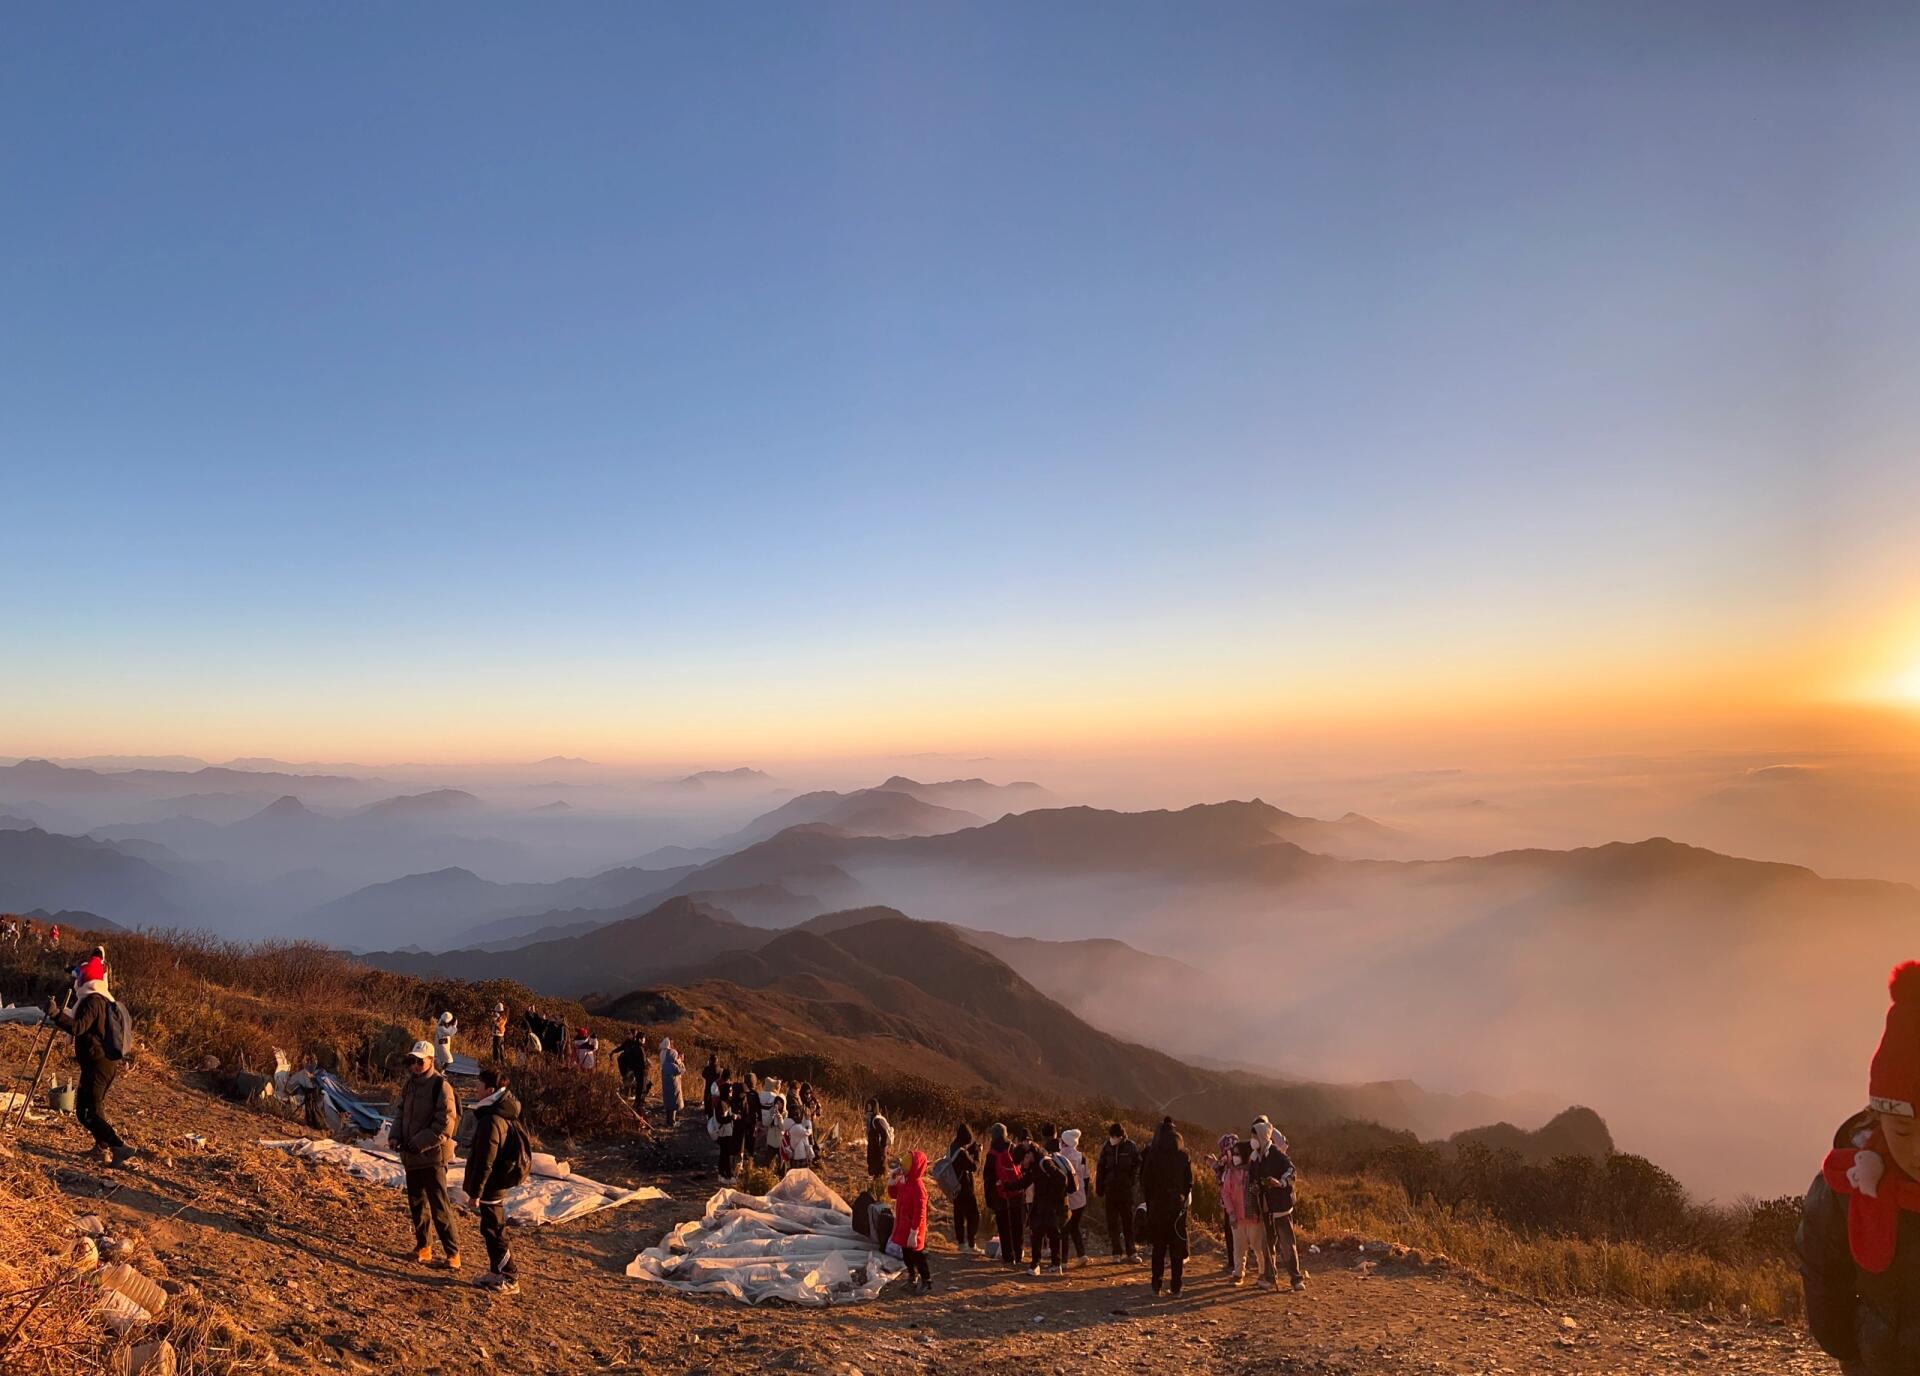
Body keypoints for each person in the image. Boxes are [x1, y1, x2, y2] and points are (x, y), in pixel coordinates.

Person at [1799, 961, 1920, 1374]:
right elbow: (1821, 1266)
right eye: (1904, 1133)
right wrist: (1844, 1346)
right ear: (1878, 1117)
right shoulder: (1848, 1183)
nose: (1918, 1152)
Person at [49, 965, 136, 1166]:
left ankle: (119, 1147)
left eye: (78, 978)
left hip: (98, 1064)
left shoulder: (92, 1001)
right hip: (100, 1063)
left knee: (88, 1112)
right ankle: (103, 1148)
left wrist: (56, 1015)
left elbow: (79, 1027)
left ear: (85, 981)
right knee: (89, 1109)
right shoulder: (102, 999)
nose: (75, 982)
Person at [390, 1039, 461, 1270]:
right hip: (412, 1156)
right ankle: (424, 1246)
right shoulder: (410, 1085)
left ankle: (453, 1253)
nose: (414, 1066)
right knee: (417, 1204)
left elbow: (444, 1126)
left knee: (439, 1206)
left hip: (432, 1157)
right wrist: (395, 1135)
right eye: (412, 1061)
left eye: (419, 1061)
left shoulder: (440, 1086)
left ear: (431, 1060)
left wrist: (418, 1143)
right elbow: (400, 1112)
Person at [461, 1065, 524, 1293]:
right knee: (490, 1228)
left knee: (494, 1230)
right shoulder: (500, 1113)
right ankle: (496, 1273)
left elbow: (486, 1159)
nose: (475, 1090)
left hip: (491, 1186)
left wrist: (476, 1192)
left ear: (490, 1090)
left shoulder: (492, 1120)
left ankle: (510, 1276)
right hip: (494, 1183)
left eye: (478, 1086)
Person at [1250, 1116, 1305, 1291]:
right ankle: (1270, 1277)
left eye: (1255, 1137)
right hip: (1266, 1207)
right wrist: (1255, 1188)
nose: (1253, 1140)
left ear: (1263, 1137)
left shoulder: (1276, 1154)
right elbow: (1253, 1180)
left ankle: (1296, 1278)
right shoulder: (1256, 1158)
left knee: (1287, 1244)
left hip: (1281, 1207)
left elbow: (1291, 1171)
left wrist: (1280, 1183)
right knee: (1268, 1244)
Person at [1139, 1116, 1193, 1296]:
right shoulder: (1183, 1155)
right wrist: (1183, 1198)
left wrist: (1149, 1203)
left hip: (1158, 1205)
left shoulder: (1153, 1154)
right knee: (1177, 1248)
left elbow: (1146, 1181)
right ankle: (1176, 1286)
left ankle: (1156, 1284)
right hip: (1177, 1205)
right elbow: (1189, 1182)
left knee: (1159, 1247)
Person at [888, 1149, 933, 1294]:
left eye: (906, 1165)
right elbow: (894, 1195)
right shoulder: (905, 1182)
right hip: (903, 1227)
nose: (903, 1168)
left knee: (918, 1256)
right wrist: (892, 1181)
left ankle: (926, 1280)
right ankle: (912, 1277)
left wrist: (914, 1232)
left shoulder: (919, 1188)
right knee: (906, 1254)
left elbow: (920, 1213)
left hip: (913, 1229)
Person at [1026, 1138, 1070, 1276]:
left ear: (1031, 1155)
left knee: (1046, 1233)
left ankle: (1043, 1265)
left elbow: (1062, 1179)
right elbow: (1026, 1181)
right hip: (1043, 1204)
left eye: (1026, 1156)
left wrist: (1055, 1198)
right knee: (1046, 1233)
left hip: (1049, 1205)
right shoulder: (1037, 1164)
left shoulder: (1044, 1163)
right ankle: (1044, 1265)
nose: (1024, 1160)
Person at [1098, 1121, 1141, 1262]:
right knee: (1113, 1222)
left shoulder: (1131, 1147)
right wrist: (1100, 1186)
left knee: (1127, 1221)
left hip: (1125, 1191)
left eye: (1115, 1136)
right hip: (1110, 1190)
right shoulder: (1107, 1147)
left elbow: (1137, 1165)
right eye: (1111, 1136)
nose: (1113, 1139)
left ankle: (1131, 1251)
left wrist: (1131, 1182)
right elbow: (1101, 1168)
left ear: (1121, 1136)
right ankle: (1116, 1252)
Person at [984, 1122, 1024, 1267]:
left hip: (999, 1195)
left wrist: (989, 1200)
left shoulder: (991, 1154)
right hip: (1017, 1193)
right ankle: (1019, 1255)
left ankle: (1008, 1256)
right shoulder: (1014, 1148)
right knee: (1017, 1226)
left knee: (1004, 1227)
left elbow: (988, 1179)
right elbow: (1022, 1169)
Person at [1222, 1141, 1261, 1285]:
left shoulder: (1253, 1172)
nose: (1235, 1157)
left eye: (1238, 1154)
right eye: (1234, 1154)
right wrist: (1231, 1213)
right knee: (1239, 1248)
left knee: (1258, 1247)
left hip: (1253, 1217)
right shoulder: (1230, 1173)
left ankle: (1263, 1273)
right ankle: (1238, 1274)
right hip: (1237, 1218)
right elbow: (1225, 1193)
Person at [1057, 1128, 1091, 1266]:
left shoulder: (1060, 1158)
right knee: (1075, 1227)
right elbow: (1087, 1177)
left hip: (1067, 1197)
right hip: (1081, 1196)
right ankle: (1081, 1254)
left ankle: (1063, 1260)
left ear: (1065, 1143)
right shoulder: (1081, 1157)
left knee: (1064, 1229)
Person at [947, 1123, 980, 1252]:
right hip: (965, 1188)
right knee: (973, 1215)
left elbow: (962, 1158)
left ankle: (961, 1243)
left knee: (959, 1214)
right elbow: (974, 1167)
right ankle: (971, 1243)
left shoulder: (953, 1147)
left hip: (955, 1186)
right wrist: (977, 1154)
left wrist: (970, 1150)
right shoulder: (961, 1153)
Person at [1213, 1132, 1240, 1274]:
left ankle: (1233, 1263)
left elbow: (1220, 1179)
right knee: (1240, 1233)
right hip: (1242, 1201)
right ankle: (1239, 1263)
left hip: (1230, 1202)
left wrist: (1216, 1165)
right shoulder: (1243, 1157)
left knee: (1231, 1233)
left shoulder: (1225, 1160)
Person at [782, 1099, 815, 1173]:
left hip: (794, 1155)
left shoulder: (790, 1125)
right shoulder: (796, 1128)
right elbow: (807, 1132)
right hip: (800, 1156)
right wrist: (808, 1121)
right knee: (801, 1177)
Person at [658, 1037, 685, 1126]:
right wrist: (680, 1062)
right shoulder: (674, 1066)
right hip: (674, 1086)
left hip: (666, 1086)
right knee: (674, 1103)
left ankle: (668, 1121)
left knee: (668, 1103)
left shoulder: (664, 1063)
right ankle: (672, 1122)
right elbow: (683, 1071)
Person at [615, 1031, 648, 1102]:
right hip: (634, 1069)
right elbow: (641, 1061)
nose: (628, 1035)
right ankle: (635, 1102)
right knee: (636, 1086)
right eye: (644, 1038)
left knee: (631, 1084)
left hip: (631, 1068)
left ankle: (628, 1098)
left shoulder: (633, 1045)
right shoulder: (637, 1047)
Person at [865, 1099, 894, 1183]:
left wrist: (882, 1146)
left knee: (879, 1166)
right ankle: (876, 1180)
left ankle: (880, 1183)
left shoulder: (876, 1120)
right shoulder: (872, 1119)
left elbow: (884, 1134)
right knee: (874, 1164)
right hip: (874, 1147)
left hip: (878, 1149)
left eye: (870, 1107)